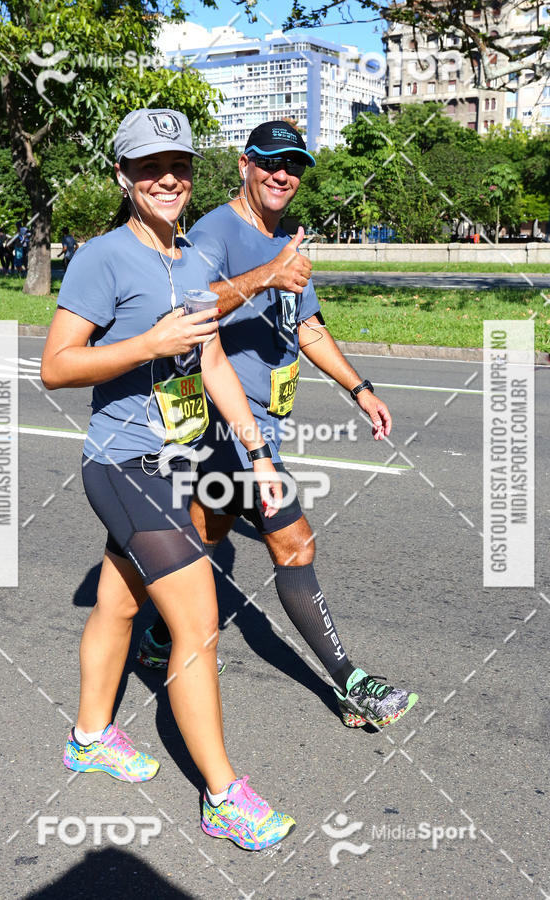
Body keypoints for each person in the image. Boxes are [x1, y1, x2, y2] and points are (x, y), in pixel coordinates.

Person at [40, 108, 295, 852]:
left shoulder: (191, 258)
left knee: (119, 605)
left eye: (177, 165)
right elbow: (56, 366)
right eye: (149, 168)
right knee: (197, 625)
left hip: (172, 463)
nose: (167, 180)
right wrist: (149, 343)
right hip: (124, 465)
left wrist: (258, 454)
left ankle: (90, 737)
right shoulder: (103, 257)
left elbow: (210, 360)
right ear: (123, 177)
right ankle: (223, 795)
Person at [138, 120, 418, 730]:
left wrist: (359, 389)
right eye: (269, 161)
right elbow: (187, 307)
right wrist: (266, 274)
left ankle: (158, 632)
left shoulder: (287, 239)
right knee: (295, 543)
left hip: (263, 422)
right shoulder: (216, 231)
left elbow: (306, 326)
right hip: (226, 425)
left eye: (292, 165)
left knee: (208, 529)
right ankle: (351, 683)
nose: (281, 174)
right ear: (245, 164)